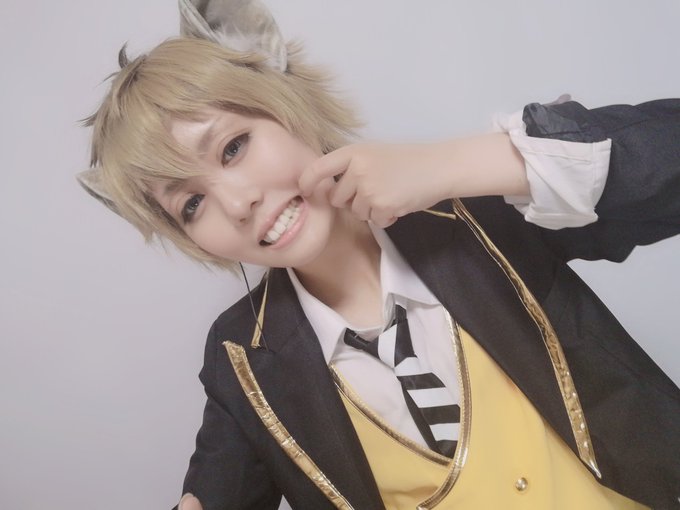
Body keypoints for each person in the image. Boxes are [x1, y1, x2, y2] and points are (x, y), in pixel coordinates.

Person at [79, 1, 680, 509]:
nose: (238, 203)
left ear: (284, 100)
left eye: (233, 147)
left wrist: (454, 165)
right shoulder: (242, 357)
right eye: (190, 204)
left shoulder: (481, 216)